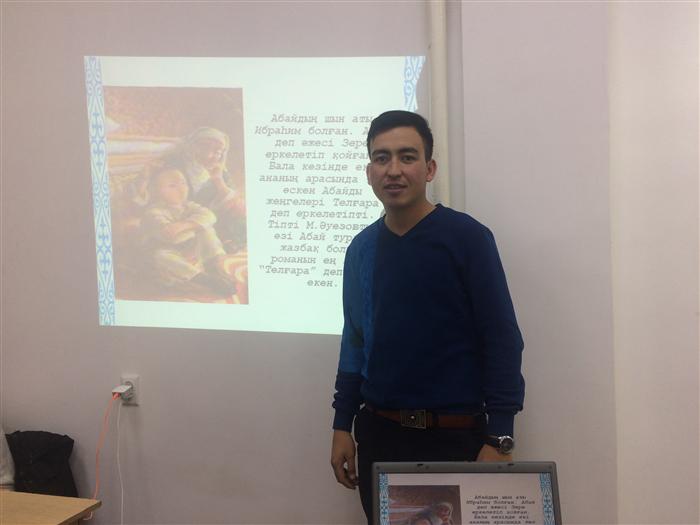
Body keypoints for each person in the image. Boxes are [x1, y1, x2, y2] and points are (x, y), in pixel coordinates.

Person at [329, 111, 525, 524]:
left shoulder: (467, 238)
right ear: (369, 171)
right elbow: (355, 343)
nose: (393, 170)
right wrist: (341, 424)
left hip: (456, 439)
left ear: (429, 168)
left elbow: (502, 338)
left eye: (407, 157)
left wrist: (500, 436)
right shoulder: (361, 249)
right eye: (381, 158)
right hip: (380, 437)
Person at [140, 167, 236, 296]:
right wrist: (196, 226)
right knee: (162, 257)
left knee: (207, 231)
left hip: (188, 248)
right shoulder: (153, 212)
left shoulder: (189, 205)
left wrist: (184, 225)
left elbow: (210, 215)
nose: (181, 189)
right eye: (172, 186)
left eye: (183, 183)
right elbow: (173, 237)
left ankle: (214, 266)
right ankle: (204, 280)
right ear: (156, 191)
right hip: (167, 250)